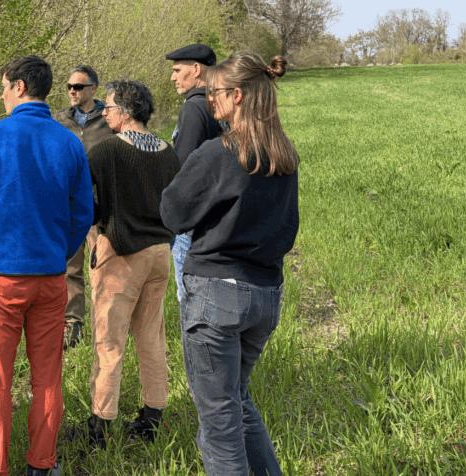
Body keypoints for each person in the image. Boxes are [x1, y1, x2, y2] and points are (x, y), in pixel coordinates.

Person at [159, 52, 299, 476]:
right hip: (265, 296)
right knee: (237, 404)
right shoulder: (283, 156)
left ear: (237, 96)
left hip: (216, 296)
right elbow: (287, 229)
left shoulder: (216, 153)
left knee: (219, 426)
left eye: (214, 93)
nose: (209, 101)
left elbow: (173, 213)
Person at [0, 55, 93, 476]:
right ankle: (41, 464)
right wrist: (58, 251)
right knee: (48, 377)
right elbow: (83, 213)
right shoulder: (69, 141)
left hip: (0, 280)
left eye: (2, 86)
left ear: (18, 86)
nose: (0, 94)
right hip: (51, 280)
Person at [81, 79, 179, 449]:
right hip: (160, 254)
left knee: (110, 342)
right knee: (152, 337)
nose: (104, 114)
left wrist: (92, 231)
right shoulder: (169, 153)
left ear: (125, 111)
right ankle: (153, 418)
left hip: (121, 254)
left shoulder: (106, 152)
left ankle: (100, 426)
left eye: (108, 108)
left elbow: (82, 200)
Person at [52, 65, 116, 349]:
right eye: (68, 87)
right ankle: (73, 325)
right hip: (70, 207)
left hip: (105, 207)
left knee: (105, 267)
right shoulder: (59, 121)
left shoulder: (109, 119)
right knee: (70, 268)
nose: (72, 92)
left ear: (93, 89)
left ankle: (108, 325)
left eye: (78, 87)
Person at [165, 43, 225, 304]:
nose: (173, 77)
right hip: (222, 220)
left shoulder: (194, 107)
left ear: (196, 69)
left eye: (178, 70)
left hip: (193, 226)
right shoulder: (222, 104)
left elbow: (183, 169)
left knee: (191, 302)